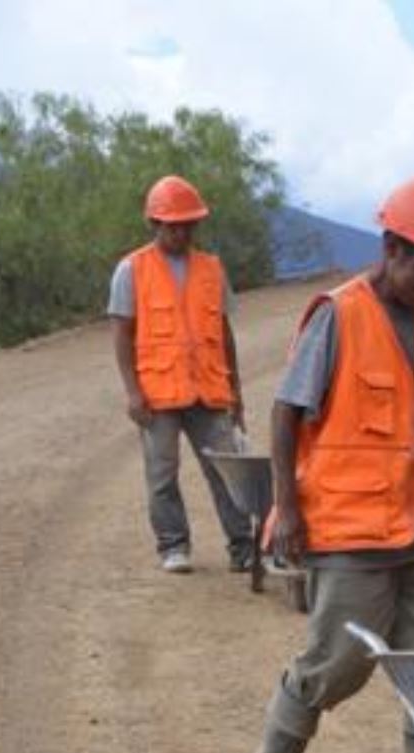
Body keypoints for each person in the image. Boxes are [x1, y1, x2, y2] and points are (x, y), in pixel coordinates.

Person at [253, 176, 414, 753]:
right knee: (340, 661)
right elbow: (284, 413)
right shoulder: (339, 313)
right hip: (351, 528)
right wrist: (288, 508)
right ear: (390, 246)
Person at [108, 174, 253, 574]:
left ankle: (244, 548)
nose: (181, 231)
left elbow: (224, 333)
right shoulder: (131, 270)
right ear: (154, 224)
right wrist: (132, 392)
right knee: (162, 475)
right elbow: (122, 334)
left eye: (189, 224)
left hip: (209, 390)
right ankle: (174, 546)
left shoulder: (211, 269)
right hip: (158, 395)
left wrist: (235, 391)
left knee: (228, 472)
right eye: (173, 225)